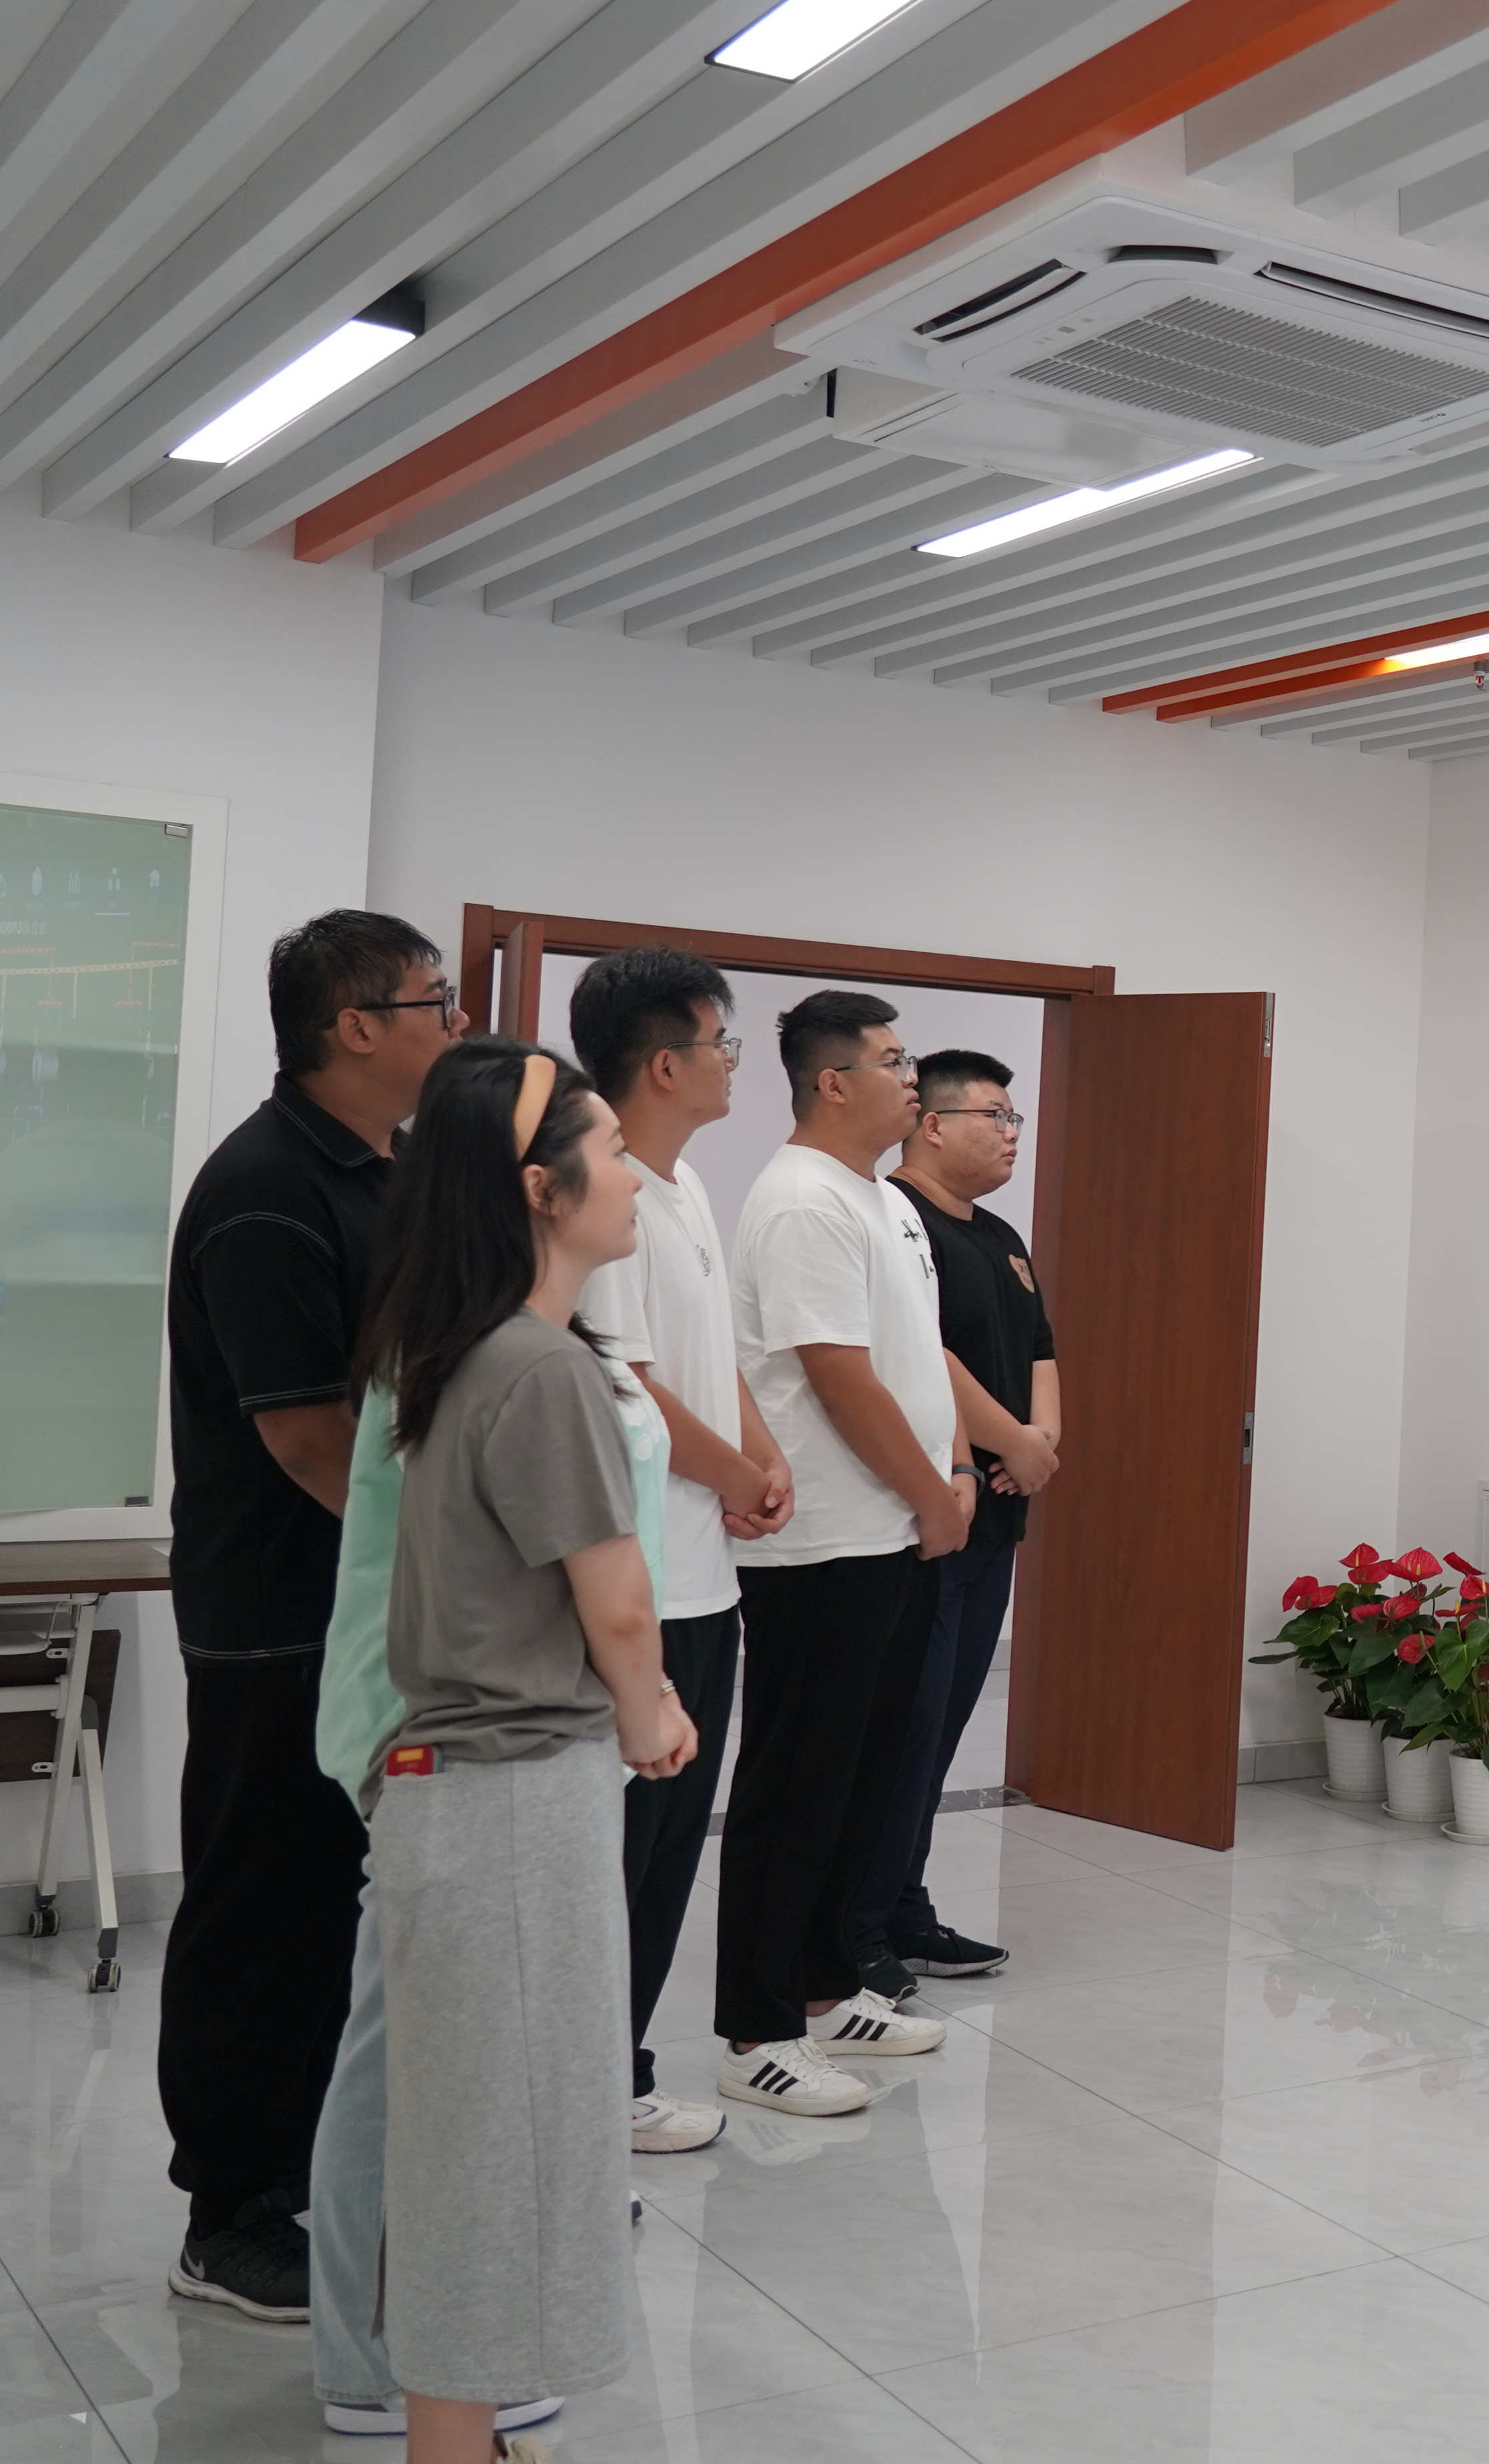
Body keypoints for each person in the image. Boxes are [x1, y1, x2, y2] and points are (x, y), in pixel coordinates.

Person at [341, 1037, 695, 2464]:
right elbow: (614, 1598)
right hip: (504, 1799)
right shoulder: (537, 1367)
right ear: (543, 1191)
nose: (633, 1177)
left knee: (478, 2141)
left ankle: (461, 2434)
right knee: (495, 2151)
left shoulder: (473, 1347)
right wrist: (652, 1713)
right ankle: (450, 2445)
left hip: (473, 1792)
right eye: (609, 1152)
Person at [159, 909, 461, 2320]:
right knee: (259, 1908)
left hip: (354, 1605)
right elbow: (302, 1434)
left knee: (332, 1911)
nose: (452, 1024)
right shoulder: (269, 1188)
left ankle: (309, 2177)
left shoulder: (381, 1169)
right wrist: (432, 1559)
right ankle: (229, 2214)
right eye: (434, 1001)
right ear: (354, 1025)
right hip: (279, 1611)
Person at [715, 990, 969, 2114]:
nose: (912, 1079)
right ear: (832, 1082)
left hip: (893, 1530)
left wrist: (950, 1477)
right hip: (822, 1544)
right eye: (892, 1060)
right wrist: (929, 1494)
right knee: (796, 1788)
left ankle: (826, 1987)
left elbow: (916, 1360)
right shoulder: (801, 1200)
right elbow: (837, 1376)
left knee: (861, 1779)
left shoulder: (881, 1199)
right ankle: (758, 2028)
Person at [567, 948, 793, 2152]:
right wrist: (734, 1472)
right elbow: (633, 1384)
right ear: (665, 1064)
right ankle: (587, 2086)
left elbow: (716, 1365)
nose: (733, 1067)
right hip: (642, 1577)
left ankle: (625, 2072)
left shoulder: (689, 1186)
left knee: (665, 1858)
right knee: (618, 1857)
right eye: (722, 1046)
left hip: (707, 1577)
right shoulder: (607, 1202)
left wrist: (762, 1458)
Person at [851, 1048, 1060, 1994]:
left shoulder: (1002, 1234)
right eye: (995, 1116)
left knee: (938, 1735)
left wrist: (1040, 1442)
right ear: (933, 1124)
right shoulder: (898, 1218)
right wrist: (1011, 1440)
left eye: (1016, 1119)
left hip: (997, 1520)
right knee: (901, 1731)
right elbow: (921, 1354)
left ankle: (907, 1907)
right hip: (927, 1517)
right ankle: (859, 1926)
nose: (1013, 1134)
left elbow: (1041, 1348)